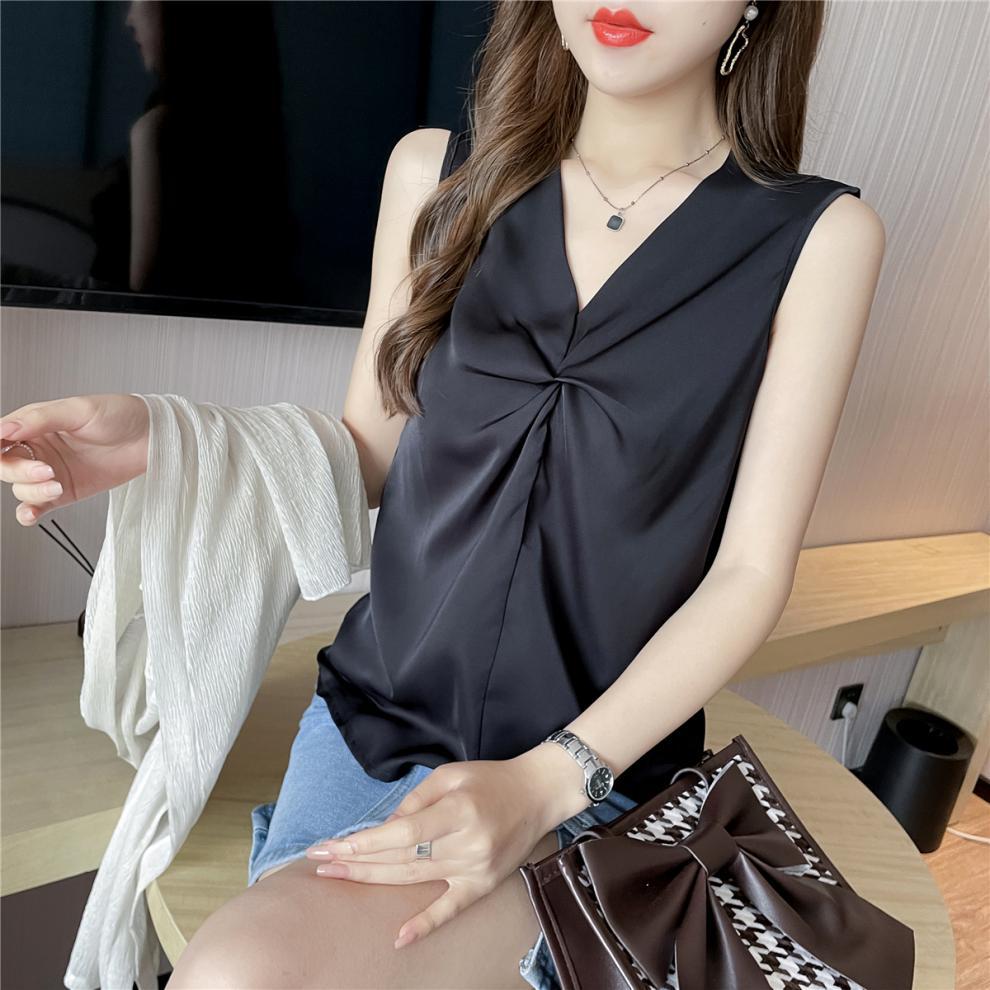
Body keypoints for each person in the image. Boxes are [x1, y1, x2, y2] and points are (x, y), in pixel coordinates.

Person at [1, 2, 885, 987]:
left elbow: (750, 573)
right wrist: (168, 437)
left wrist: (550, 781)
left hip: (598, 774)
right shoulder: (437, 175)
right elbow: (367, 450)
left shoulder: (818, 240)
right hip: (376, 725)